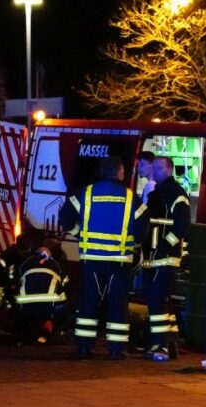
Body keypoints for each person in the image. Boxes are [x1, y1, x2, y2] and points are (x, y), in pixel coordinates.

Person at [59, 155, 149, 360]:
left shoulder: (86, 193)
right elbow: (143, 224)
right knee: (117, 304)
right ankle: (116, 349)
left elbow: (65, 217)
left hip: (91, 259)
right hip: (119, 262)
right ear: (119, 172)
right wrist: (134, 243)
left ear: (102, 172)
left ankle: (83, 347)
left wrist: (79, 234)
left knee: (89, 301)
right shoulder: (130, 197)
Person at [142, 156, 191, 362]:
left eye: (158, 168)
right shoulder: (157, 193)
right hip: (153, 258)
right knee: (162, 303)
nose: (154, 172)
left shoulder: (176, 194)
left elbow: (182, 226)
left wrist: (164, 247)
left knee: (157, 303)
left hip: (165, 259)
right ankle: (170, 345)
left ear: (169, 170)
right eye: (153, 168)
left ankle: (159, 346)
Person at [13, 246, 69, 344]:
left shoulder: (26, 262)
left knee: (24, 315)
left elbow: (18, 279)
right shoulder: (55, 263)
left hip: (26, 304)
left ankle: (28, 330)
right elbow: (64, 282)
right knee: (65, 304)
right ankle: (51, 328)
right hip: (48, 306)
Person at [0, 233, 35, 309]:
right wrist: (10, 284)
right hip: (11, 296)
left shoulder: (30, 256)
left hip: (24, 296)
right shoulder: (8, 256)